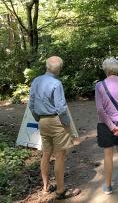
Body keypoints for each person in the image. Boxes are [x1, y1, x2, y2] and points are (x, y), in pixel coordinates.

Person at [28, 56, 80, 200]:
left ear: (46, 66)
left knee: (46, 153)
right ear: (60, 69)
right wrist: (67, 124)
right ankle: (61, 191)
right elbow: (61, 108)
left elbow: (31, 105)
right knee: (60, 156)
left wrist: (39, 118)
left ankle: (45, 187)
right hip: (56, 121)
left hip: (43, 121)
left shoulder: (36, 81)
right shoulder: (56, 84)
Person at [95, 57, 118, 195]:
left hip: (105, 125)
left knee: (107, 155)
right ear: (117, 68)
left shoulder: (99, 85)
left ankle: (108, 186)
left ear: (105, 69)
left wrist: (111, 126)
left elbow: (100, 109)